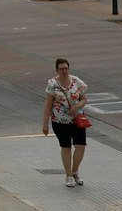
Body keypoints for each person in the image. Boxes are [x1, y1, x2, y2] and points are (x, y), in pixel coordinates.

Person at [41, 56, 89, 187]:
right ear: (57, 70)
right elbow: (48, 104)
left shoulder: (76, 81)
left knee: (81, 146)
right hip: (60, 121)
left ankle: (75, 171)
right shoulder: (52, 84)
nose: (64, 71)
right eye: (61, 69)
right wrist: (45, 124)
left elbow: (84, 99)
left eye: (66, 68)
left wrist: (76, 107)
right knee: (66, 147)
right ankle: (68, 175)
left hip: (77, 119)